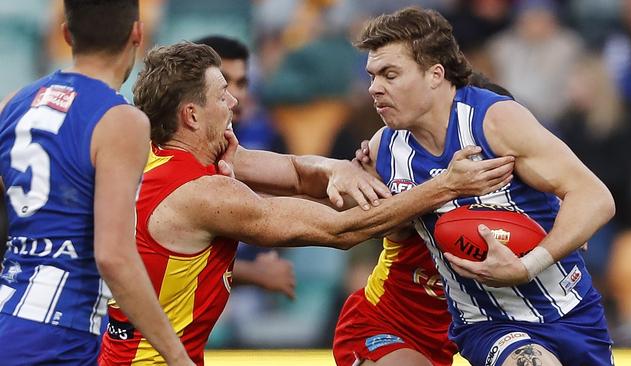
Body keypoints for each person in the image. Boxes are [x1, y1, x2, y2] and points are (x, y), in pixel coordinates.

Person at [98, 41, 515, 365]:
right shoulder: (203, 191)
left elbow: (297, 171)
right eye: (223, 95)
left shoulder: (160, 155)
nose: (234, 103)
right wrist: (446, 186)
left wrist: (342, 171)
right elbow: (339, 230)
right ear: (191, 116)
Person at [352, 7, 615, 366]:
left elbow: (595, 198)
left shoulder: (496, 121)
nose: (374, 88)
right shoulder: (383, 149)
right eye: (372, 76)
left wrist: (529, 264)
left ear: (434, 74)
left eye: (390, 74)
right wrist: (347, 178)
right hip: (485, 323)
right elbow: (374, 228)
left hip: (568, 308)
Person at [0, 1, 192, 365]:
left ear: (66, 34)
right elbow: (113, 255)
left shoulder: (13, 104)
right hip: (60, 337)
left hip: (10, 320)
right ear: (137, 33)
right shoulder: (121, 120)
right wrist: (178, 357)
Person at [333, 77, 515, 366]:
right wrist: (373, 172)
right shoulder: (409, 182)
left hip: (458, 341)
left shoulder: (525, 202)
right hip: (387, 324)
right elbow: (380, 223)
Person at [194, 35, 295, 299]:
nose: (235, 94)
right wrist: (255, 274)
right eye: (225, 83)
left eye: (242, 83)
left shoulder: (266, 134)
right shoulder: (179, 149)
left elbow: (293, 187)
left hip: (242, 279)